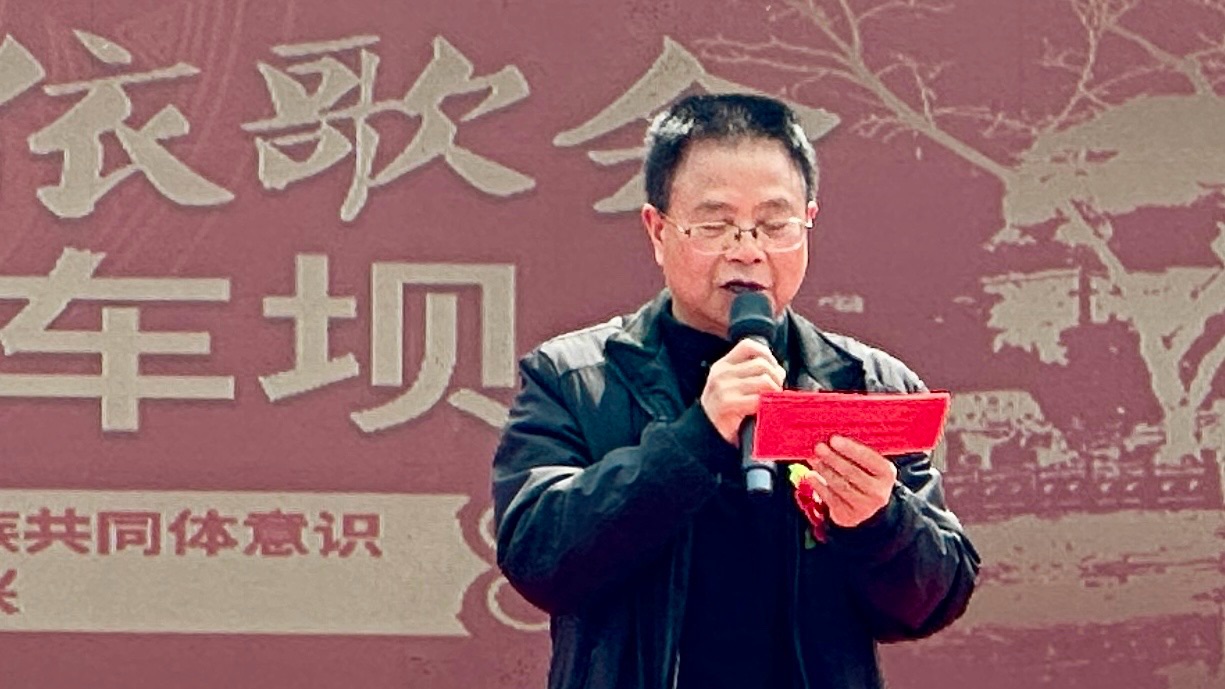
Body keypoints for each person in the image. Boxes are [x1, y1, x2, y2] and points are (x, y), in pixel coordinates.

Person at [491, 93, 980, 689]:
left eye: (774, 224)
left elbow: (935, 597)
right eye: (715, 225)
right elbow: (538, 557)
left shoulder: (868, 386)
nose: (747, 251)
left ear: (808, 222)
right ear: (658, 230)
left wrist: (879, 521)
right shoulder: (574, 378)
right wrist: (695, 438)